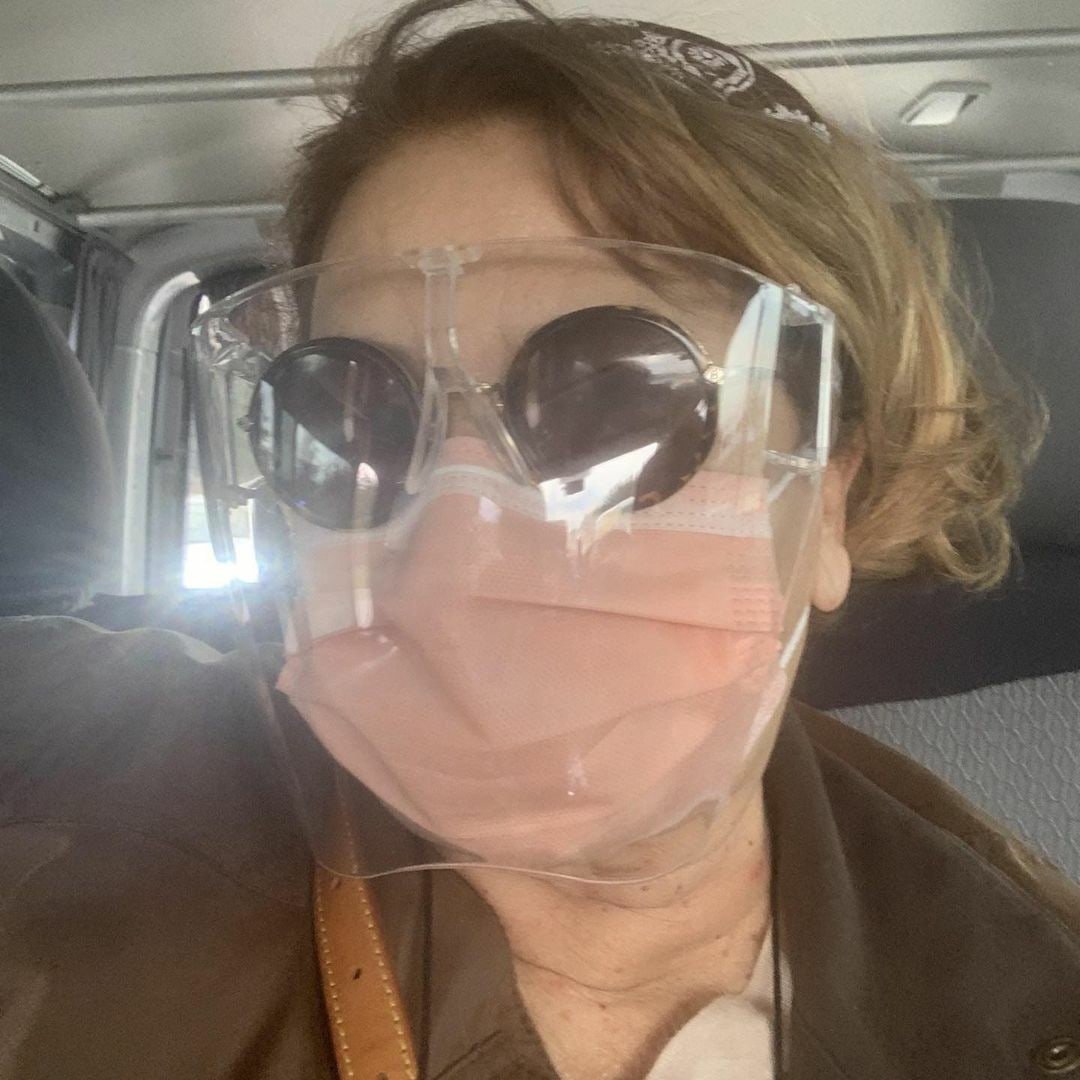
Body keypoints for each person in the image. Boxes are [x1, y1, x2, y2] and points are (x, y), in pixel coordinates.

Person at [3, 2, 1079, 1079]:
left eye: (615, 401)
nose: (454, 547)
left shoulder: (1022, 984)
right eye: (353, 415)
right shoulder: (79, 816)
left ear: (830, 496)